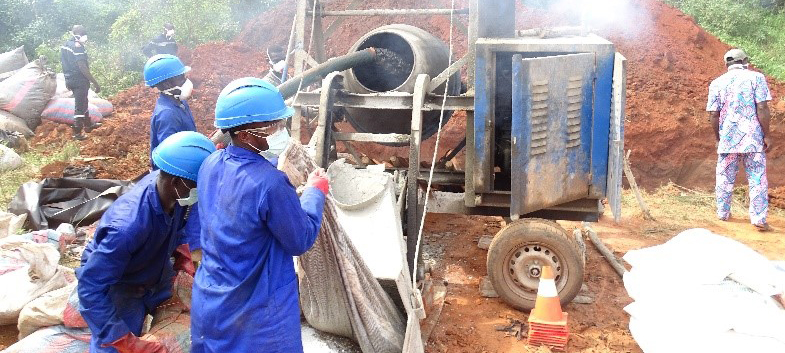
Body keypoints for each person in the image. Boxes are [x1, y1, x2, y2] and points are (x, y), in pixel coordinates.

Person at [191, 78, 328, 353]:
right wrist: (315, 193)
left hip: (212, 302)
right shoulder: (271, 183)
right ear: (244, 134)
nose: (281, 131)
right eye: (273, 126)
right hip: (257, 319)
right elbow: (299, 240)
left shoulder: (210, 164)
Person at [76, 131, 216, 353]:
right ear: (177, 182)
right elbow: (90, 288)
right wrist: (122, 339)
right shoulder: (127, 228)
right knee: (116, 346)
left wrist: (181, 253)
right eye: (200, 185)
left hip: (153, 269)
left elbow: (177, 226)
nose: (203, 191)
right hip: (120, 285)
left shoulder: (174, 192)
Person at [143, 54, 202, 257]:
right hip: (177, 179)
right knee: (185, 217)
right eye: (180, 78)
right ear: (167, 82)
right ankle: (189, 255)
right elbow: (174, 156)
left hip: (187, 173)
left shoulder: (179, 104)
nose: (185, 81)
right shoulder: (167, 114)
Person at [707, 48, 772, 231]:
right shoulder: (756, 78)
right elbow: (762, 108)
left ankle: (722, 213)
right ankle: (758, 218)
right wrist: (766, 135)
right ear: (745, 61)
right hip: (752, 139)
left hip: (728, 138)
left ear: (726, 63)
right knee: (757, 178)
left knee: (724, 177)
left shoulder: (716, 83)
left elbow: (713, 114)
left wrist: (718, 139)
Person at [60, 25, 101, 141]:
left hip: (69, 79)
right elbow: (82, 67)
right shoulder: (77, 47)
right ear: (79, 35)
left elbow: (64, 64)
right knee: (79, 105)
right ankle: (77, 132)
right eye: (84, 34)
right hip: (79, 80)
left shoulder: (65, 45)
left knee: (84, 100)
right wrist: (95, 82)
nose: (85, 37)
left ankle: (88, 124)